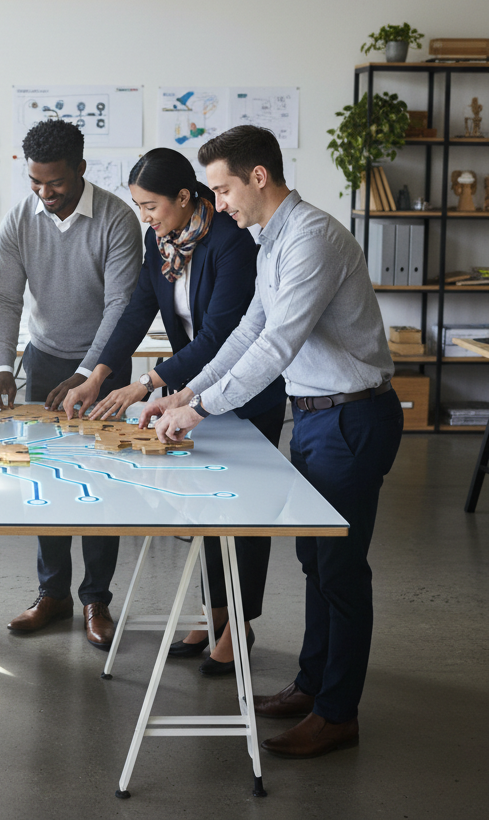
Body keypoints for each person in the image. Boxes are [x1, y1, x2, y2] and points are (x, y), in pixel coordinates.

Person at [148, 126, 403, 759]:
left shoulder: (312, 238)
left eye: (223, 188)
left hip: (352, 417)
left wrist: (200, 407)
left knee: (340, 569)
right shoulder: (272, 240)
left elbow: (277, 344)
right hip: (317, 417)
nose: (220, 202)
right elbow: (243, 334)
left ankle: (338, 713)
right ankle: (311, 686)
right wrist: (184, 394)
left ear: (257, 177)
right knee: (316, 562)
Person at [61, 148, 286, 674]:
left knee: (243, 513)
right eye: (139, 206)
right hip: (193, 394)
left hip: (247, 393)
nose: (145, 216)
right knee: (205, 506)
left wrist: (147, 383)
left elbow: (219, 337)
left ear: (186, 197)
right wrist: (98, 374)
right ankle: (212, 614)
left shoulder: (231, 242)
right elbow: (140, 305)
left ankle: (240, 625)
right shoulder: (159, 238)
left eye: (151, 206)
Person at [0, 119, 141, 649]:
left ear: (81, 169)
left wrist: (90, 371)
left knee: (99, 482)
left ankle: (96, 598)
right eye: (35, 183)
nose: (45, 194)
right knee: (47, 481)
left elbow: (121, 305)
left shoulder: (118, 219)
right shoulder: (20, 220)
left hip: (103, 368)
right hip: (45, 362)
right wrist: (3, 365)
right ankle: (52, 594)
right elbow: (5, 299)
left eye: (55, 183)